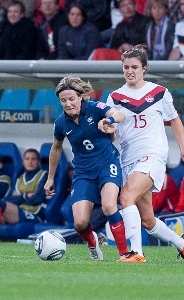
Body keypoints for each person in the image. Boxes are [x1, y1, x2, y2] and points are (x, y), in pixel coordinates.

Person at [106, 44, 184, 263]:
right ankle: (181, 243)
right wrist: (108, 131)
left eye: (134, 67)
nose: (129, 71)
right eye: (126, 67)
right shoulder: (115, 97)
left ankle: (136, 253)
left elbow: (174, 119)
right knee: (147, 220)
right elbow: (114, 134)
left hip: (153, 155)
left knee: (125, 197)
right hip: (128, 159)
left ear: (144, 68)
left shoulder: (159, 92)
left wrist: (183, 149)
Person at [43, 76, 128, 261]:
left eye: (71, 99)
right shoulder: (60, 123)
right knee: (80, 223)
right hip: (83, 172)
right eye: (63, 100)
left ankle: (125, 254)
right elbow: (56, 149)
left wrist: (110, 120)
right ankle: (92, 243)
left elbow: (121, 114)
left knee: (108, 206)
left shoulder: (94, 108)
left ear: (81, 96)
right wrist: (50, 178)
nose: (68, 103)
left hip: (107, 164)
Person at [0, 149, 47, 242]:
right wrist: (26, 196)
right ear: (23, 162)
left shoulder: (44, 175)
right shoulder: (20, 177)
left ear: (38, 162)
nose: (30, 161)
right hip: (18, 211)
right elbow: (10, 199)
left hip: (34, 214)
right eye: (27, 159)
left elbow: (37, 199)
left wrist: (20, 197)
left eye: (33, 159)